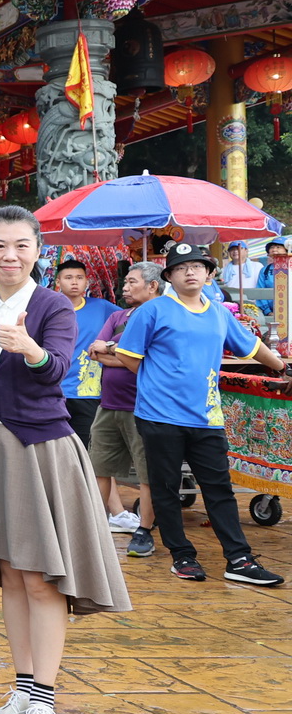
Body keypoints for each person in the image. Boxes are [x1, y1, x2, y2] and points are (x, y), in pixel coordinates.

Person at [0, 206, 130, 714]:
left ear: (37, 251)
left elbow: (57, 367)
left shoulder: (53, 305)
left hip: (40, 449)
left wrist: (29, 349)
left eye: (21, 246)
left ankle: (44, 700)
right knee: (10, 575)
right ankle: (23, 687)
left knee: (40, 579)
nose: (10, 256)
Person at [118, 242, 288, 586]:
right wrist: (158, 383)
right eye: (181, 268)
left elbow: (251, 346)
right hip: (159, 416)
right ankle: (182, 556)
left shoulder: (219, 313)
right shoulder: (153, 311)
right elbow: (128, 355)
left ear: (209, 274)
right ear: (169, 277)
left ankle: (238, 559)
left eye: (197, 266)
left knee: (219, 488)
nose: (190, 272)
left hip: (206, 417)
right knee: (167, 488)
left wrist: (282, 367)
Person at [87, 262, 163, 549]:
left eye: (132, 282)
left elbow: (149, 360)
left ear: (152, 286)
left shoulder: (162, 315)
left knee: (146, 473)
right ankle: (95, 526)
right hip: (108, 404)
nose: (124, 288)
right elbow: (94, 351)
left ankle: (144, 530)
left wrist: (112, 350)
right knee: (99, 467)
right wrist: (123, 355)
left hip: (143, 407)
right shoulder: (118, 315)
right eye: (126, 282)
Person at [52, 258, 120, 451]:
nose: (74, 282)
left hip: (87, 391)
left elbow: (132, 321)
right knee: (56, 450)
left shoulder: (102, 307)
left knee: (86, 450)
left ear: (87, 281)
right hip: (53, 390)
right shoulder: (48, 307)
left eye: (79, 277)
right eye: (68, 278)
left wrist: (110, 347)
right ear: (58, 281)